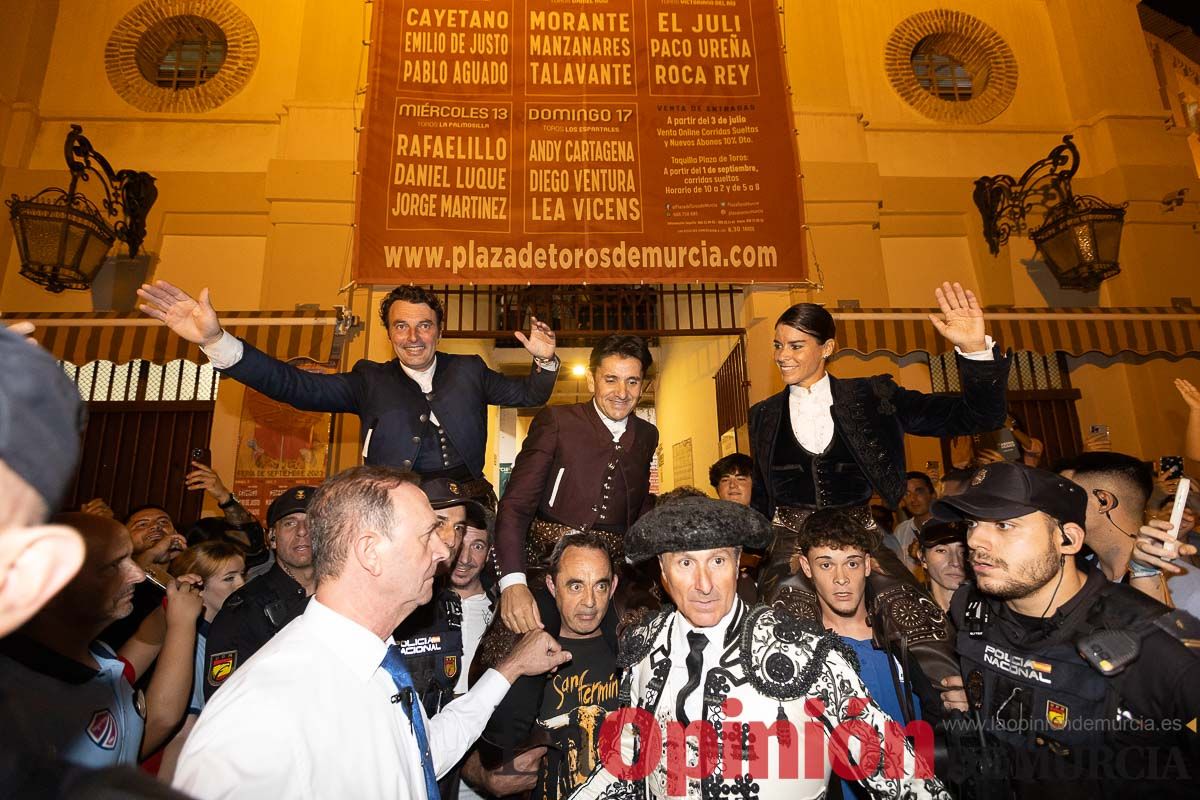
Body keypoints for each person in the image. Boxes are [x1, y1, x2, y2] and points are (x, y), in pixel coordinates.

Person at [173, 465, 572, 799]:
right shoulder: (265, 706)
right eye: (427, 535)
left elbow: (419, 754)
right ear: (370, 552)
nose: (443, 550)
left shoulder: (376, 661)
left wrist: (510, 669)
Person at [568, 496, 949, 800]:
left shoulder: (802, 649)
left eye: (717, 561)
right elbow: (627, 762)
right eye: (685, 563)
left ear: (737, 565)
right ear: (664, 574)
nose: (704, 584)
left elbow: (899, 772)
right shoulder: (644, 647)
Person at [750, 282, 1008, 690]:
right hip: (790, 538)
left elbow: (976, 416)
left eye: (796, 346)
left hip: (860, 534)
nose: (783, 356)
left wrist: (975, 349)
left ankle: (954, 727)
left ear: (827, 348)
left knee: (918, 624)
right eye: (778, 345)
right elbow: (762, 495)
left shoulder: (873, 395)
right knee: (783, 635)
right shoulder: (762, 414)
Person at [137, 281, 560, 507]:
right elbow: (294, 386)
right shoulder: (368, 379)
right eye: (401, 326)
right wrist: (217, 341)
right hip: (390, 507)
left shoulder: (470, 370)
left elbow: (529, 394)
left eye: (424, 325)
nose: (413, 337)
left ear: (439, 330)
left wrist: (545, 362)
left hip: (469, 505)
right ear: (389, 332)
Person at [934, 461, 1200, 799]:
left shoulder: (1156, 645)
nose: (975, 540)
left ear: (1068, 539)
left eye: (1004, 525)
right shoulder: (970, 608)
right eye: (971, 523)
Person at [0, 513, 204, 767]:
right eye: (114, 565)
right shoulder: (21, 700)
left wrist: (169, 608)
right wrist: (182, 624)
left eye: (131, 558)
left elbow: (143, 644)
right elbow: (161, 719)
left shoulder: (95, 656)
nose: (138, 575)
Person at [794, 509, 964, 799]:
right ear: (806, 568)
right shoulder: (800, 656)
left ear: (868, 565)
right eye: (825, 565)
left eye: (852, 563)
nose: (841, 578)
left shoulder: (907, 640)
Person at [496, 335, 658, 634]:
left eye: (632, 382)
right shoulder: (556, 421)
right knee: (518, 644)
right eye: (611, 379)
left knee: (647, 636)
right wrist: (512, 583)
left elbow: (639, 502)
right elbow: (515, 505)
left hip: (613, 572)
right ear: (591, 381)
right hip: (547, 563)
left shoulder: (648, 434)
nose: (622, 392)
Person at [466, 533, 620, 800]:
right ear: (552, 585)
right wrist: (488, 777)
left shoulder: (633, 650)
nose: (589, 602)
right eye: (575, 586)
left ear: (614, 586)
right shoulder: (520, 653)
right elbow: (462, 740)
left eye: (600, 586)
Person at [201, 485, 314, 699]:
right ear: (272, 537)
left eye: (312, 522)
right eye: (290, 523)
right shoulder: (244, 609)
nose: (302, 531)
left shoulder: (346, 600)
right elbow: (225, 701)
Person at [394, 478, 493, 719]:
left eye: (458, 527)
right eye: (440, 523)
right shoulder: (399, 597)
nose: (452, 541)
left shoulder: (503, 608)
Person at [158, 540, 247, 781]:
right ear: (199, 586)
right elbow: (183, 734)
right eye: (229, 578)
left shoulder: (228, 633)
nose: (241, 584)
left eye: (242, 574)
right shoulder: (191, 642)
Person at [1056, 452, 1171, 603]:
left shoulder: (1180, 582)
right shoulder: (1074, 574)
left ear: (1104, 501)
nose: (1054, 506)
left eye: (1064, 495)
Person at [916, 520, 969, 612]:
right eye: (941, 550)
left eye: (963, 552)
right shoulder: (911, 610)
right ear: (922, 557)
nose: (955, 562)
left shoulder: (991, 614)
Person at [891, 471, 936, 575]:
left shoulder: (946, 526)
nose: (913, 499)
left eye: (919, 492)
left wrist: (921, 558)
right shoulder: (901, 530)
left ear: (933, 495)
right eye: (907, 494)